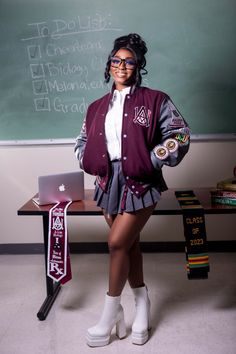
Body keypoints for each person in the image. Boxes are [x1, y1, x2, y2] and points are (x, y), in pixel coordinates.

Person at [74, 33, 190, 347]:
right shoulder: (97, 107)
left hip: (141, 181)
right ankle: (142, 303)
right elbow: (82, 142)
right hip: (107, 184)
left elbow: (179, 135)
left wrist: (152, 160)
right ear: (109, 65)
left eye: (129, 61)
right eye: (116, 60)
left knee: (115, 244)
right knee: (129, 246)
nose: (122, 66)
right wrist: (89, 161)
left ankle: (110, 313)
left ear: (138, 66)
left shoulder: (156, 100)